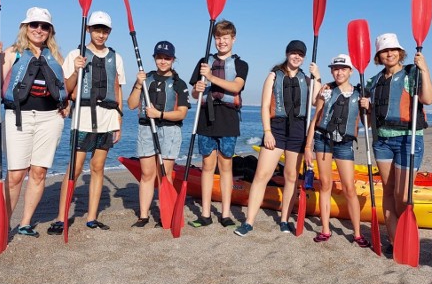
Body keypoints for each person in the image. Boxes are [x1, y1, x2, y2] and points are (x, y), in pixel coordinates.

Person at [0, 7, 68, 238]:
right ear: (26, 27)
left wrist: (68, 102)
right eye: (34, 25)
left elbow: (65, 88)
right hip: (18, 118)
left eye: (44, 26)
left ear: (50, 31)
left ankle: (25, 223)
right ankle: (4, 225)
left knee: (39, 172)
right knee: (15, 174)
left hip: (50, 119)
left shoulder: (57, 57)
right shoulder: (13, 52)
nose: (38, 30)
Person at [49, 11, 126, 235]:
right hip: (83, 117)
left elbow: (117, 88)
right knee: (75, 167)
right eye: (96, 29)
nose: (100, 34)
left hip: (108, 117)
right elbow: (67, 88)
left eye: (104, 30)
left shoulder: (116, 57)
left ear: (109, 32)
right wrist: (76, 68)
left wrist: (119, 120)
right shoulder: (76, 54)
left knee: (98, 167)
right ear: (88, 30)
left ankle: (92, 218)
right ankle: (61, 217)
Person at [234, 40, 319, 236]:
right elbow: (265, 106)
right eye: (294, 53)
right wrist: (267, 131)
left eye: (300, 54)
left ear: (304, 58)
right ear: (287, 54)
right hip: (277, 129)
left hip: (298, 130)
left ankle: (284, 220)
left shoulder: (307, 79)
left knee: (291, 177)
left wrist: (318, 77)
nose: (297, 57)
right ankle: (248, 222)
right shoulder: (274, 75)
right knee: (262, 175)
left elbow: (316, 101)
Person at [360, 33, 432, 255]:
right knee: (389, 191)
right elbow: (375, 115)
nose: (389, 54)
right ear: (378, 56)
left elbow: (428, 99)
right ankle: (393, 240)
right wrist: (367, 106)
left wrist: (425, 69)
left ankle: (406, 234)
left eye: (392, 49)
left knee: (403, 195)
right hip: (382, 141)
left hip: (407, 139)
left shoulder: (412, 73)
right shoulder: (373, 82)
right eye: (384, 51)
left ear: (400, 52)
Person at [303, 54, 369, 247]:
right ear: (332, 71)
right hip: (323, 141)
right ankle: (325, 229)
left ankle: (357, 233)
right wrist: (308, 147)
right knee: (325, 185)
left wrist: (369, 107)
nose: (339, 72)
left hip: (344, 144)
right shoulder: (326, 90)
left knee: (349, 188)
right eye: (336, 69)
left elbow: (368, 120)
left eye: (343, 69)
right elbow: (316, 119)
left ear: (351, 71)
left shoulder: (359, 93)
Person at [188, 20, 248, 227]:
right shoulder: (204, 62)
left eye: (225, 38)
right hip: (206, 118)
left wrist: (211, 76)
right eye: (218, 37)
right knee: (207, 165)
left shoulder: (241, 64)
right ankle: (205, 214)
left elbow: (235, 86)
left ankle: (225, 214)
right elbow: (195, 95)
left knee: (225, 167)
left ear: (233, 39)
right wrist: (198, 87)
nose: (221, 42)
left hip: (228, 120)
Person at [126, 40, 190, 227]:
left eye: (167, 58)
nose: (163, 61)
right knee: (147, 174)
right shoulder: (145, 80)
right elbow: (131, 105)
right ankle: (143, 215)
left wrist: (159, 114)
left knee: (165, 174)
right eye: (159, 57)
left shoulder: (179, 83)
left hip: (170, 131)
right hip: (147, 129)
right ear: (154, 58)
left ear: (173, 60)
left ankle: (165, 214)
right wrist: (138, 84)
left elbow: (182, 113)